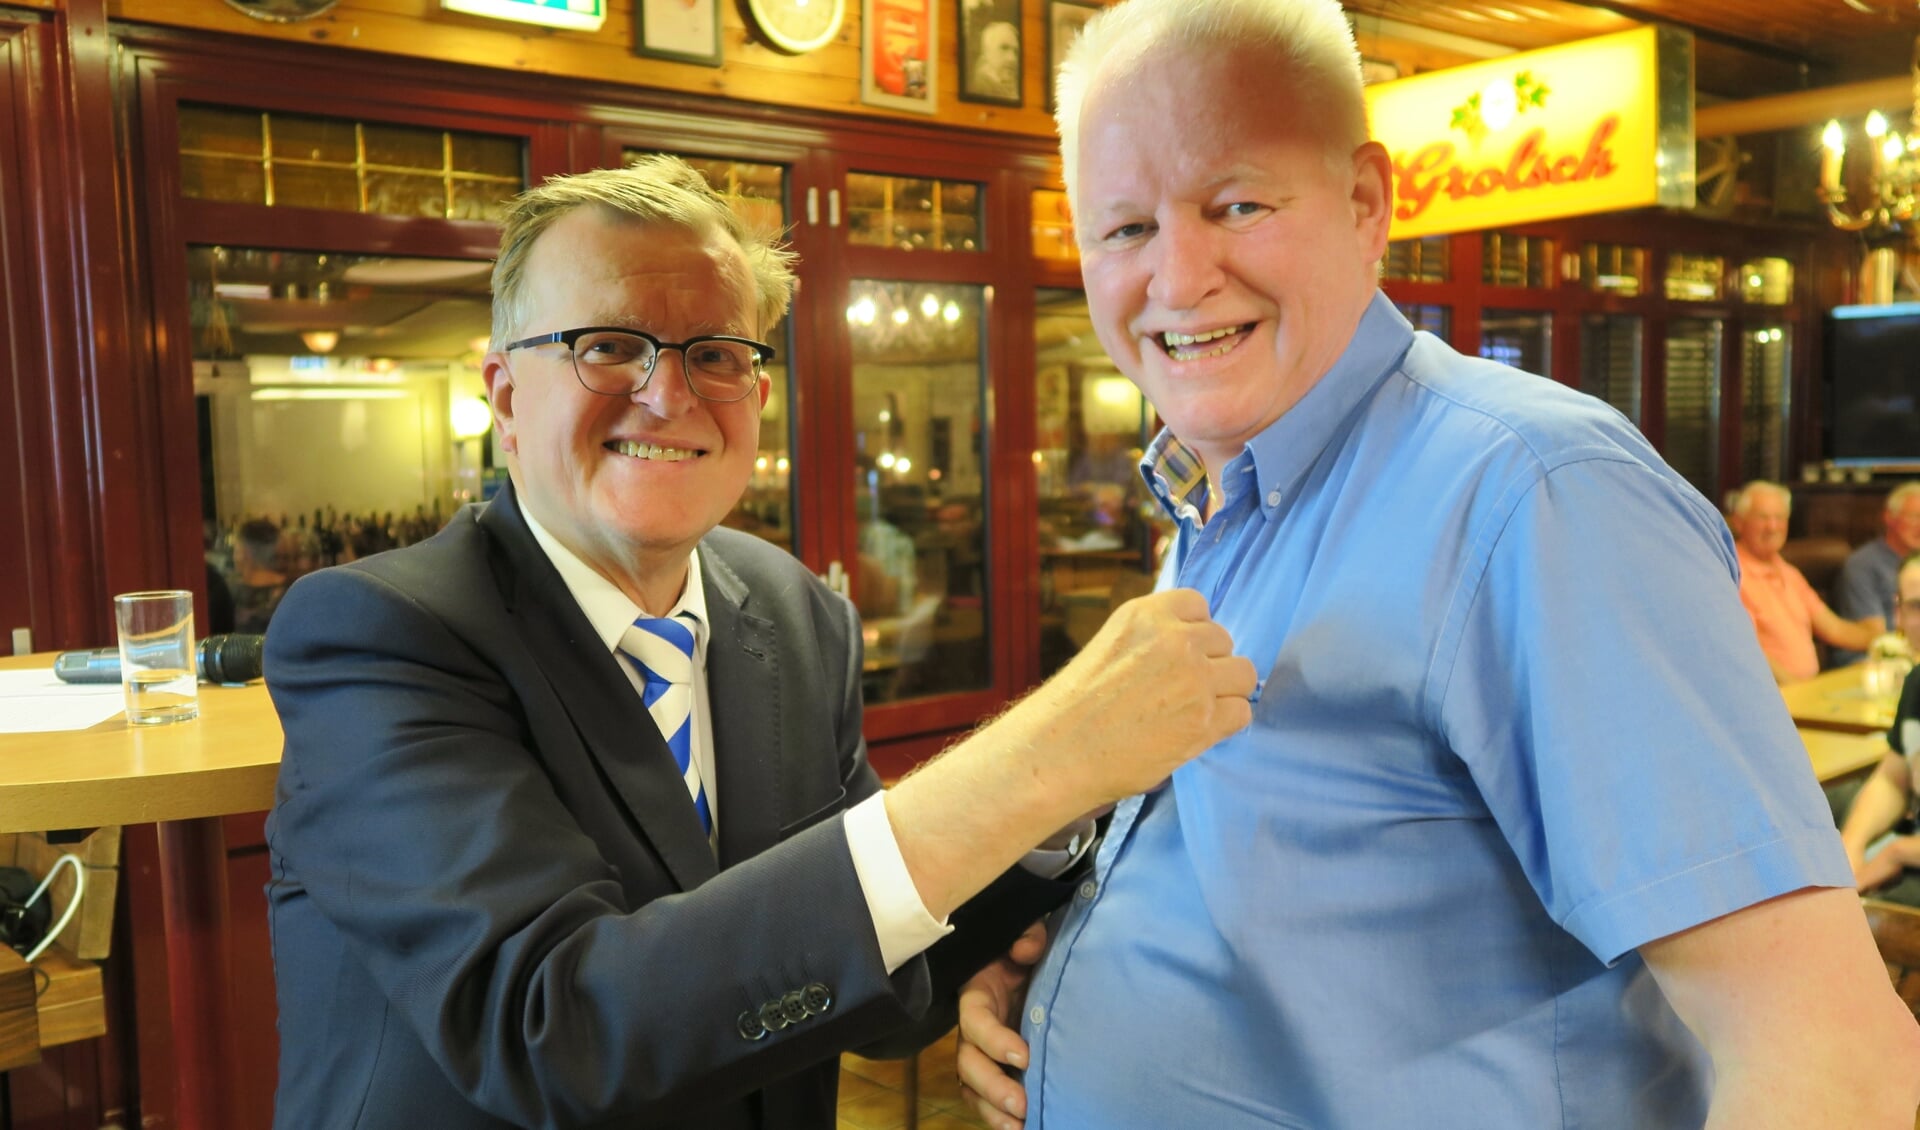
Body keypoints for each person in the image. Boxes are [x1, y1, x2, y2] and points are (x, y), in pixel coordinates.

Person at [953, 2, 1920, 1127]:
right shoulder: (1223, 491)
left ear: (1367, 203)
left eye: (1238, 204)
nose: (1177, 276)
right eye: (1124, 229)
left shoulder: (1534, 492)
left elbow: (1833, 1058)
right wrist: (1067, 969)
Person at [263, 156, 1256, 1129]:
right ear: (507, 395)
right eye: (609, 345)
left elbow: (867, 974)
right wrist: (1041, 760)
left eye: (716, 354)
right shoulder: (379, 636)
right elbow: (556, 1026)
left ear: (758, 399)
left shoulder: (791, 611)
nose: (668, 393)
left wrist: (1031, 860)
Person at [1731, 479, 1884, 683]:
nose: (1772, 526)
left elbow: (1835, 629)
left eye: (1780, 517)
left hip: (1807, 691)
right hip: (1773, 694)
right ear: (1738, 522)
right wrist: (1798, 689)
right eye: (1762, 517)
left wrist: (1889, 642)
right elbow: (1748, 648)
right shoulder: (1733, 574)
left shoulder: (1789, 572)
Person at [1839, 553, 1920, 906]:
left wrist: (1897, 854)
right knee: (1811, 808)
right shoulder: (1917, 681)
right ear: (1898, 613)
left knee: (1875, 920)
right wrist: (1849, 852)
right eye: (1917, 606)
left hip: (1910, 853)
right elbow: (1893, 778)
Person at [1834, 481, 1920, 663]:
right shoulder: (1862, 564)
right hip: (1872, 662)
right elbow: (1877, 636)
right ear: (1890, 518)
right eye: (1914, 517)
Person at [969, 20, 1019, 101]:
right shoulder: (979, 89)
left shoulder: (1010, 90)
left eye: (1015, 51)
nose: (1013, 58)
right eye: (1004, 48)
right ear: (986, 52)